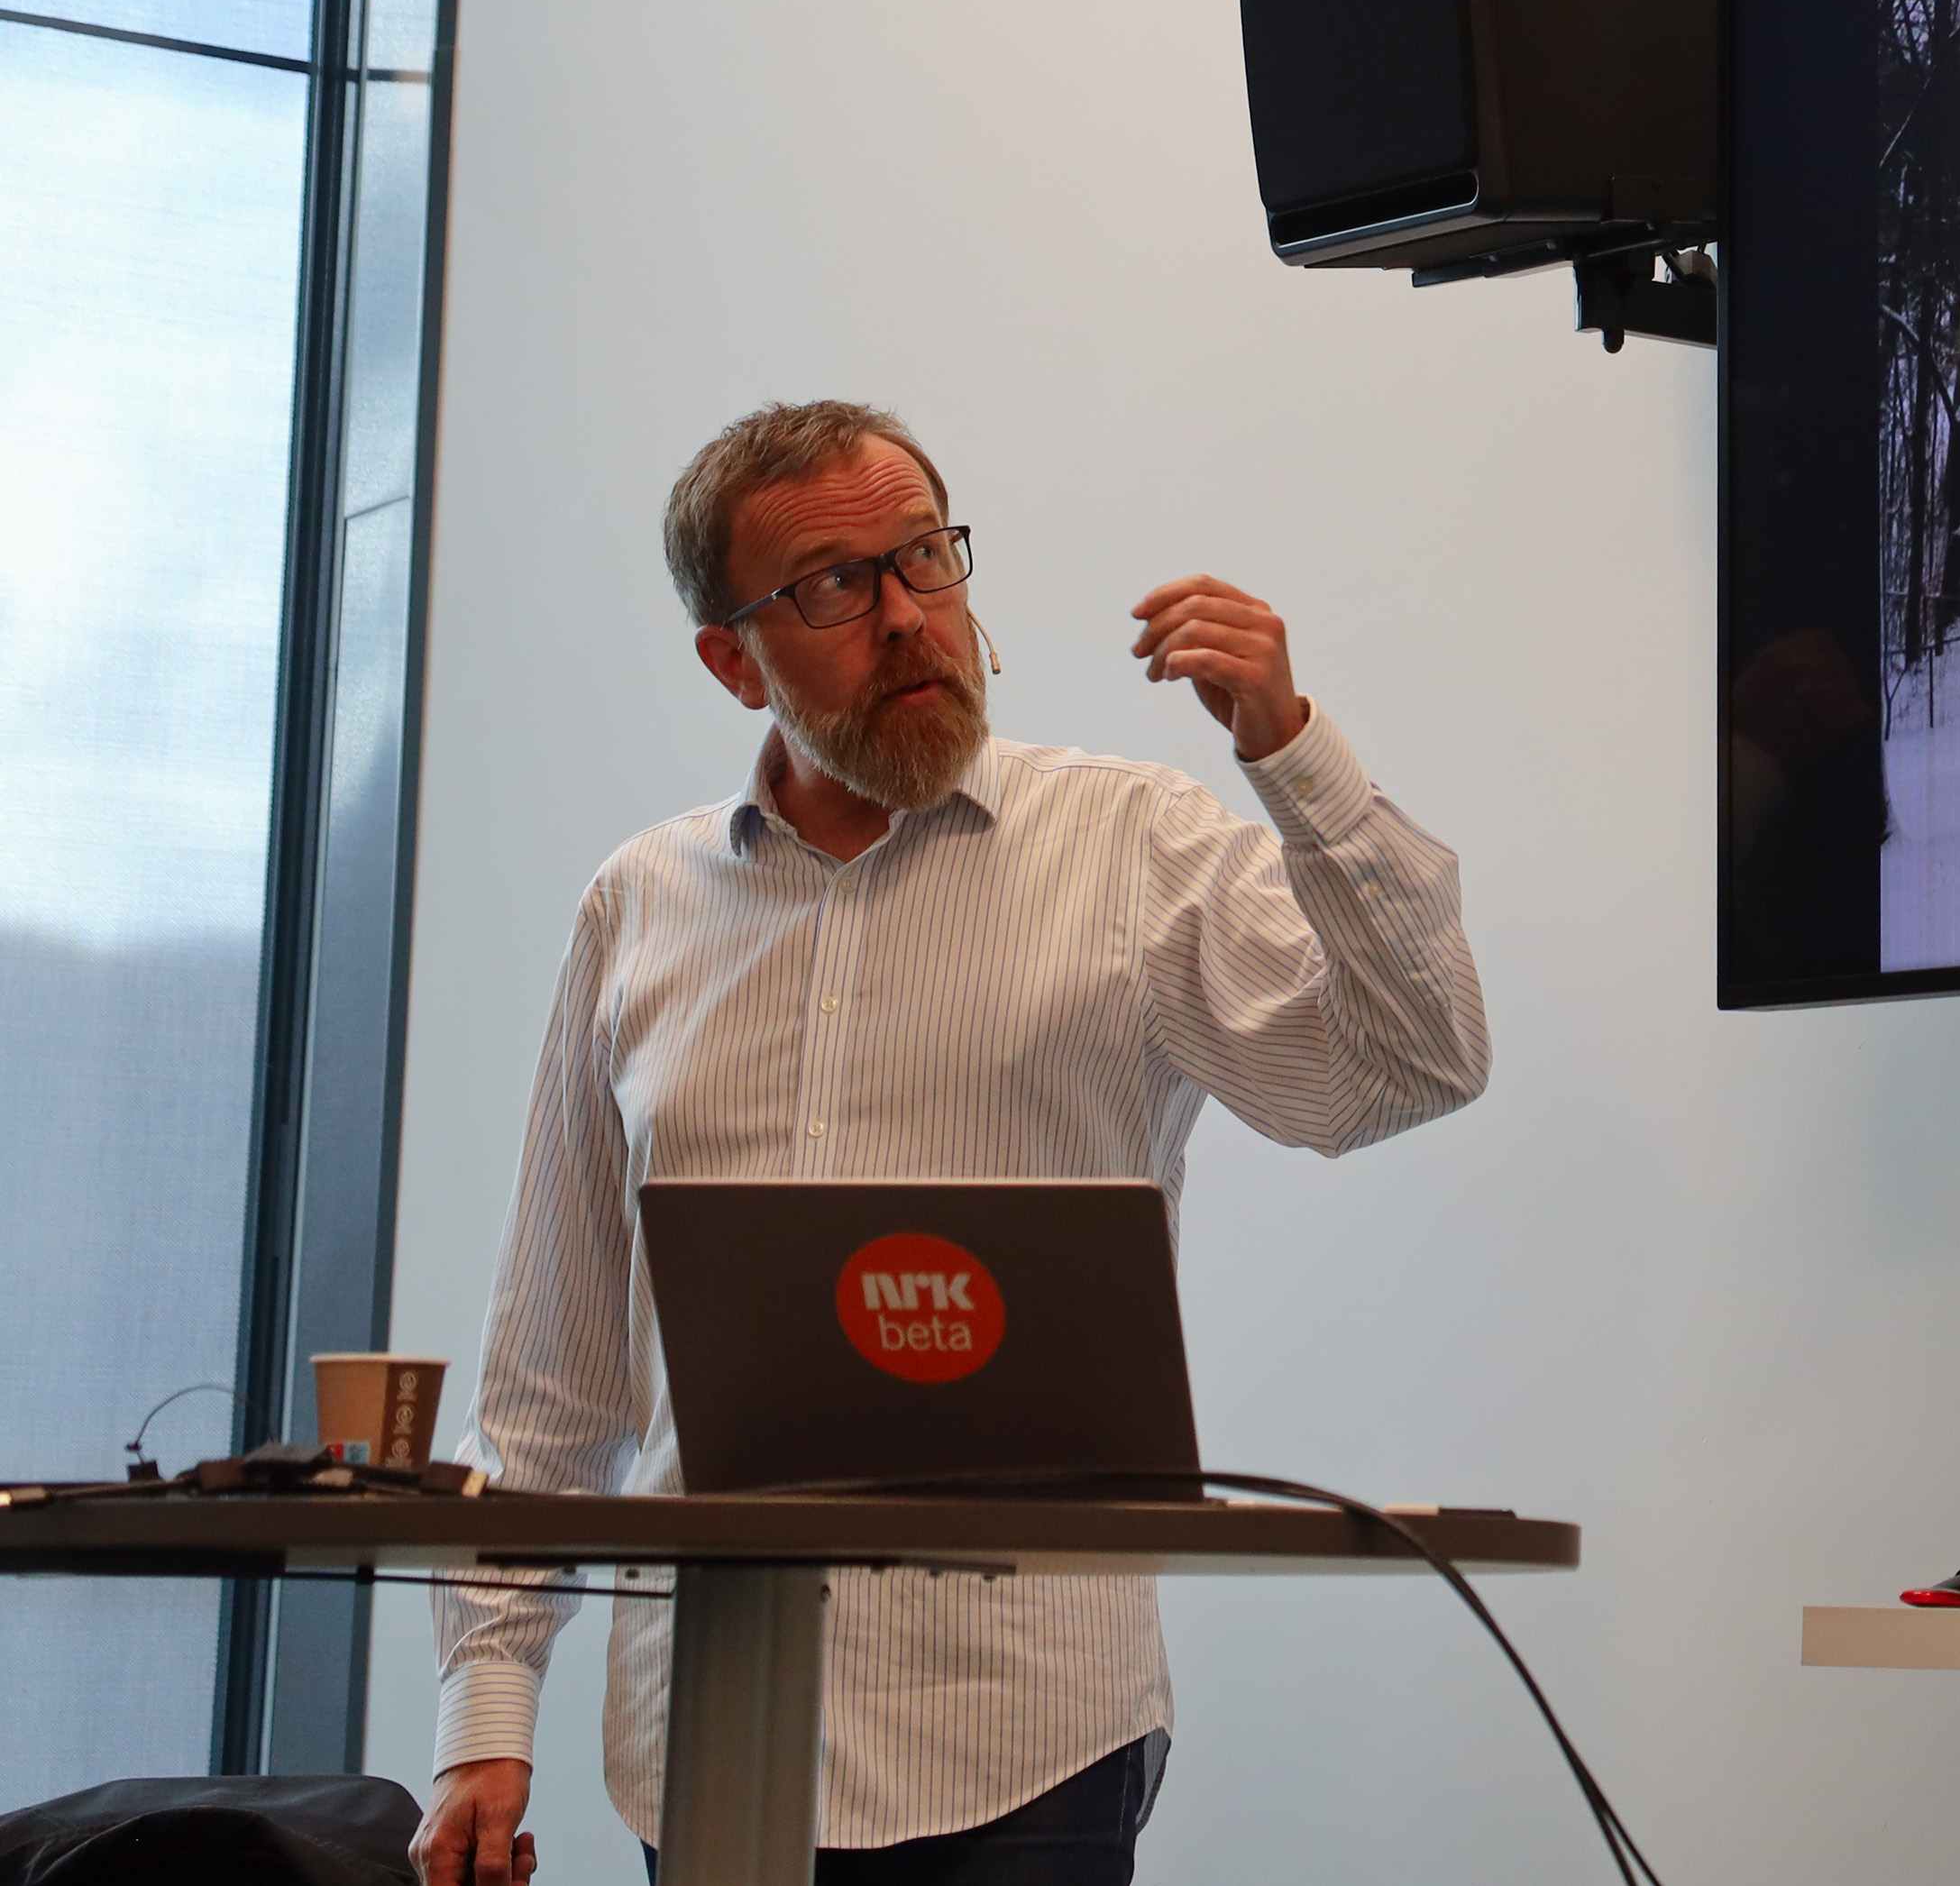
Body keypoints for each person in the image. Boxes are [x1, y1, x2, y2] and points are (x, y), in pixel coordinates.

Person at [409, 400, 1487, 1886]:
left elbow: (1408, 1068)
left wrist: (1296, 757)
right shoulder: (638, 906)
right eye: (836, 587)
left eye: (927, 559)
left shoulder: (1132, 846)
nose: (911, 618)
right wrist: (488, 1707)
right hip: (710, 1732)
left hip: (1024, 1738)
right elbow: (555, 1365)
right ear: (734, 660)